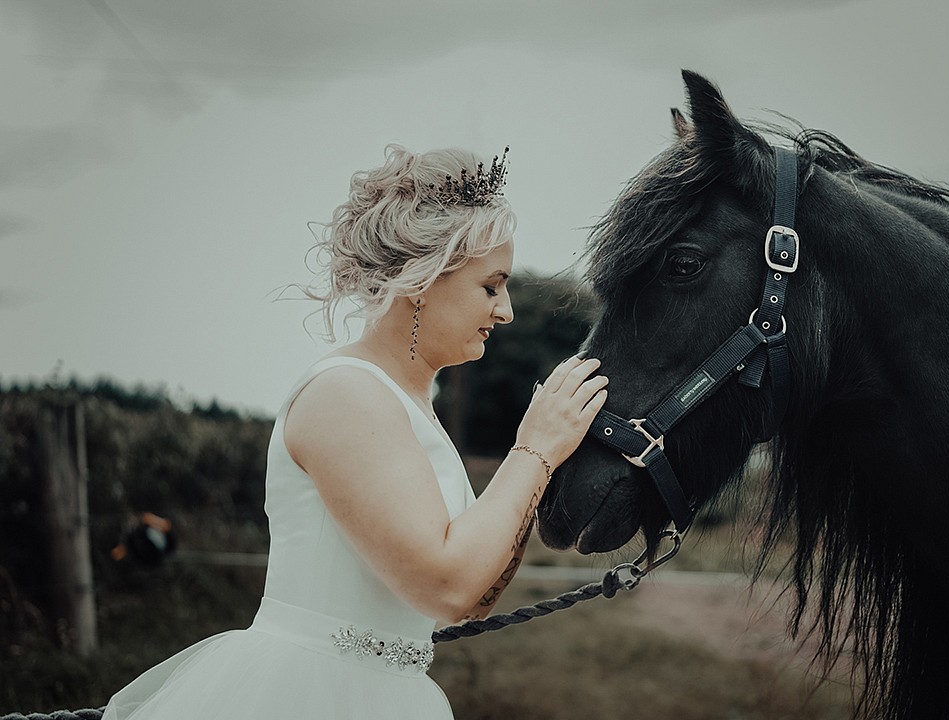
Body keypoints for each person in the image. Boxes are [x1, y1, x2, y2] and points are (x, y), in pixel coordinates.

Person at [103, 145, 608, 719]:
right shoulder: (348, 396)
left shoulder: (409, 406)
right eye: (490, 287)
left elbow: (472, 601)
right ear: (423, 280)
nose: (506, 311)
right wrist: (534, 450)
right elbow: (446, 587)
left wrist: (549, 462)